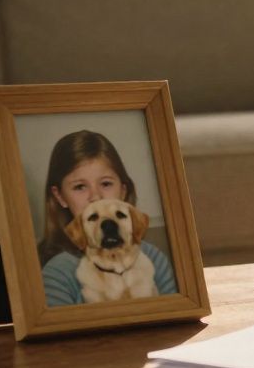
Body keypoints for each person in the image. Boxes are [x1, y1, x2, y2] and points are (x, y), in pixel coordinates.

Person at [38, 130, 177, 306]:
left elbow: (176, 315)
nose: (95, 196)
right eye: (80, 186)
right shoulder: (57, 273)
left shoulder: (154, 258)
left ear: (123, 191)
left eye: (105, 184)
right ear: (60, 197)